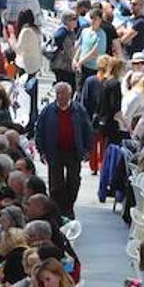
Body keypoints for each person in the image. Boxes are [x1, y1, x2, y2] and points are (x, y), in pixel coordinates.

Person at [34, 81, 93, 220]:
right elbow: (40, 130)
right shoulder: (48, 111)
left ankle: (68, 207)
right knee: (55, 183)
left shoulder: (79, 110)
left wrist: (87, 149)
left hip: (73, 151)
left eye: (63, 93)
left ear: (69, 94)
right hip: (54, 151)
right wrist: (41, 150)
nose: (60, 96)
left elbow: (87, 129)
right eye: (58, 93)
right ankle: (57, 210)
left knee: (74, 180)